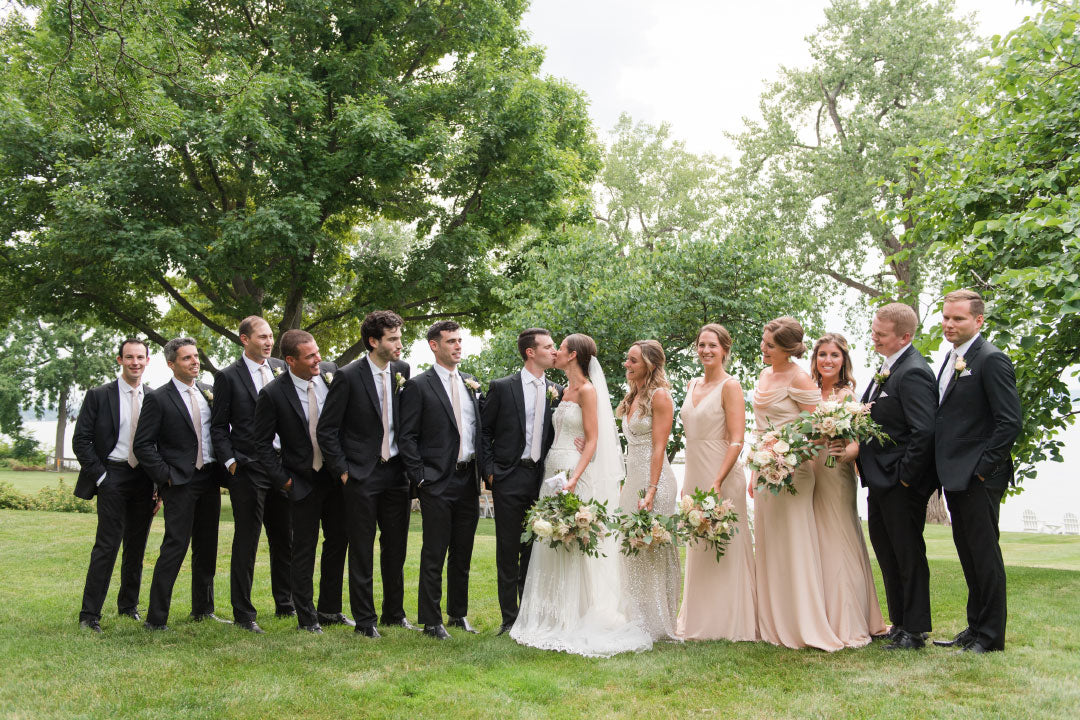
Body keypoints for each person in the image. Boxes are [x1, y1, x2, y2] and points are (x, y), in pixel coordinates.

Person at [511, 334, 652, 657]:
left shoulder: (588, 391)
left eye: (559, 349)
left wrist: (574, 478)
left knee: (573, 541)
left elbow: (592, 440)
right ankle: (550, 613)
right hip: (552, 470)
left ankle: (575, 614)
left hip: (575, 474)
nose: (555, 353)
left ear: (572, 355)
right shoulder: (561, 391)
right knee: (551, 539)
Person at [932, 290, 1021, 653]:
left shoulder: (992, 360)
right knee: (968, 555)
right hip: (955, 476)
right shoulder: (952, 358)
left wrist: (982, 471)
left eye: (958, 319)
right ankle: (974, 628)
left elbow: (1009, 422)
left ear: (978, 321)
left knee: (985, 556)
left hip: (979, 478)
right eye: (946, 317)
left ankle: (991, 637)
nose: (949, 324)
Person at [317, 311, 416, 639]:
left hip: (396, 473)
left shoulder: (402, 371)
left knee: (396, 547)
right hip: (361, 475)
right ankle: (365, 621)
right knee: (361, 548)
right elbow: (327, 429)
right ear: (374, 342)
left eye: (400, 337)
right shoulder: (348, 376)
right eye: (393, 339)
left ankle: (394, 613)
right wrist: (343, 471)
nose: (399, 344)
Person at [750, 317, 843, 651]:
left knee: (794, 544)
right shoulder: (764, 374)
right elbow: (760, 429)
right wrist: (756, 469)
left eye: (770, 345)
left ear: (788, 349)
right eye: (764, 341)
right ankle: (772, 622)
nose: (763, 347)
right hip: (765, 469)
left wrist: (788, 453)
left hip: (794, 472)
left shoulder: (800, 377)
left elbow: (820, 427)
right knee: (770, 543)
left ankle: (803, 623)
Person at [252, 329, 348, 634]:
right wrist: (284, 481)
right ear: (291, 360)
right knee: (302, 550)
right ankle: (306, 617)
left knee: (337, 543)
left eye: (318, 352)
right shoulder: (273, 393)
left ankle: (330, 609)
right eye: (310, 356)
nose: (318, 359)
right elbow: (261, 444)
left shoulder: (332, 375)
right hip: (301, 481)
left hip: (334, 479)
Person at [856, 303, 937, 651]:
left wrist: (905, 477)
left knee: (907, 554)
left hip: (900, 483)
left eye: (881, 334)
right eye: (874, 330)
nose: (874, 337)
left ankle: (915, 630)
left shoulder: (914, 372)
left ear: (904, 336)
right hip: (880, 481)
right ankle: (900, 623)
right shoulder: (889, 368)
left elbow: (924, 432)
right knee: (887, 552)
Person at [398, 321, 485, 640]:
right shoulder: (419, 386)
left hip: (467, 480)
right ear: (434, 345)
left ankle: (457, 614)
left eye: (460, 341)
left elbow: (478, 430)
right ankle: (430, 620)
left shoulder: (471, 382)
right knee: (434, 551)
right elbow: (406, 436)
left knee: (462, 552)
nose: (457, 346)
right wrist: (421, 477)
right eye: (451, 341)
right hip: (436, 481)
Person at [134, 338, 224, 630]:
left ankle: (203, 609)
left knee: (207, 547)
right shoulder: (158, 398)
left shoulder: (209, 392)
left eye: (196, 357)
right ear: (172, 364)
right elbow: (143, 445)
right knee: (175, 546)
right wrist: (167, 476)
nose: (194, 362)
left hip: (209, 479)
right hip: (180, 482)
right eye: (187, 358)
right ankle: (156, 618)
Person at [210, 316, 294, 632]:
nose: (269, 341)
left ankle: (286, 604)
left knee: (285, 538)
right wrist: (231, 463)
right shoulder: (228, 377)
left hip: (281, 466)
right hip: (247, 469)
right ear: (245, 339)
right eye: (262, 337)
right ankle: (244, 614)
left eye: (271, 336)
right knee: (247, 541)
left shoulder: (280, 369)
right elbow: (218, 427)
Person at [676, 324, 757, 642]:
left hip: (721, 472)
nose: (706, 350)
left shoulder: (731, 385)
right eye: (701, 345)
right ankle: (698, 618)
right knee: (699, 543)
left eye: (712, 345)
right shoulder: (691, 383)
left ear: (724, 349)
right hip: (695, 472)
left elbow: (737, 439)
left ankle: (727, 621)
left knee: (726, 541)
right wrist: (688, 482)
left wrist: (717, 480)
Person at [480, 328, 563, 636]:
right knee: (508, 548)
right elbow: (484, 432)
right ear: (531, 352)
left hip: (542, 478)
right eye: (549, 346)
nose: (554, 351)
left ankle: (530, 614)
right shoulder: (502, 387)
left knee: (535, 548)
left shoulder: (558, 389)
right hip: (508, 476)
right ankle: (509, 618)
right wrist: (490, 471)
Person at [73, 338, 157, 633]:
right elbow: (81, 440)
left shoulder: (154, 396)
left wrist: (159, 483)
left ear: (148, 361)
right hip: (112, 475)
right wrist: (101, 477)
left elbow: (160, 443)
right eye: (129, 357)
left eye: (140, 357)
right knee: (107, 545)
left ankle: (128, 605)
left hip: (144, 479)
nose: (135, 362)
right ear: (120, 360)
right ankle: (89, 614)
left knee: (137, 546)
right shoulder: (99, 395)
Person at [809, 333, 887, 647]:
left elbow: (858, 437)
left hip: (835, 471)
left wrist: (853, 450)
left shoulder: (848, 395)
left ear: (844, 361)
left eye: (834, 355)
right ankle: (819, 614)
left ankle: (849, 617)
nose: (828, 360)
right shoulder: (809, 391)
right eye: (822, 355)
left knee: (839, 536)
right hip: (808, 470)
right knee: (815, 539)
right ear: (815, 359)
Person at [616, 340, 680, 642]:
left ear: (650, 365)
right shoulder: (631, 397)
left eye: (633, 361)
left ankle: (660, 623)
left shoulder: (660, 396)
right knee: (632, 548)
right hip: (633, 479)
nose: (627, 365)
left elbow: (659, 446)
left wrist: (652, 489)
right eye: (627, 360)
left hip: (657, 479)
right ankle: (638, 618)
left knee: (654, 549)